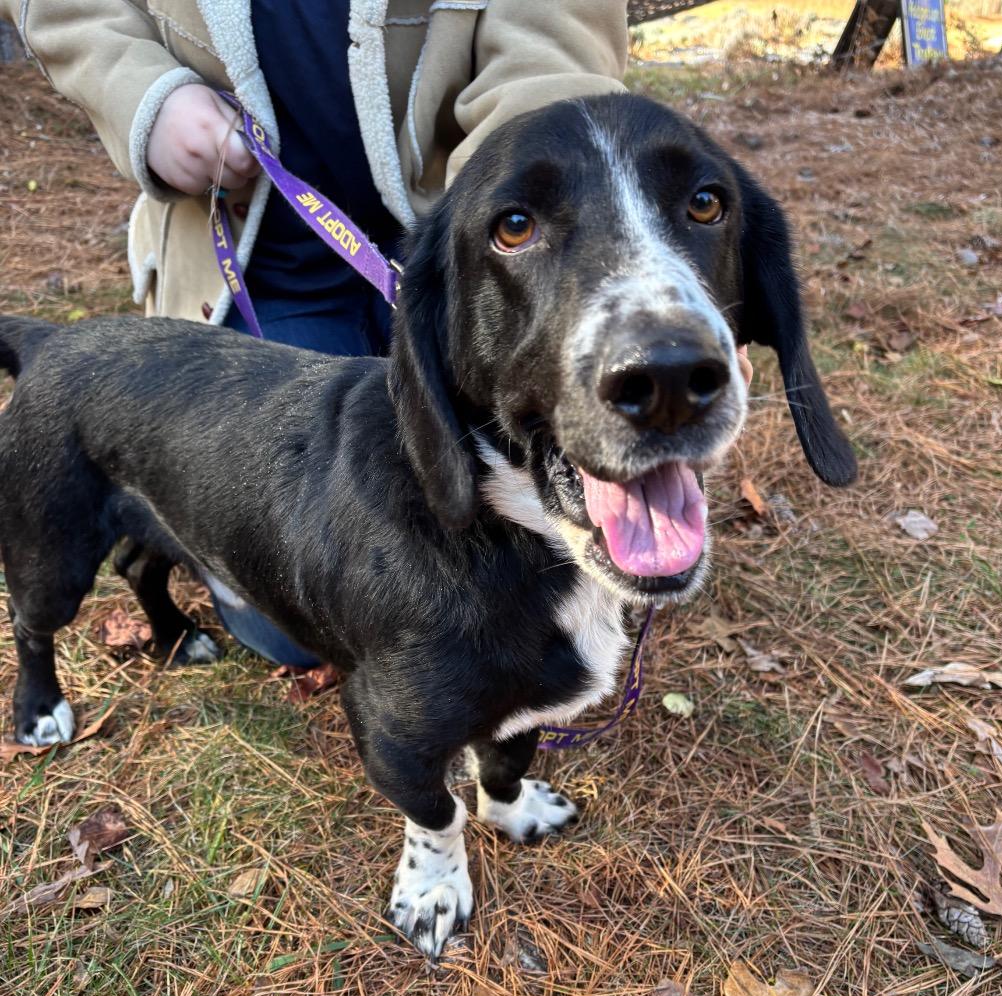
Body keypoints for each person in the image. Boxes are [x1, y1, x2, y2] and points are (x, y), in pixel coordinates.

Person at [1, 2, 631, 664]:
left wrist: (523, 218)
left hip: (464, 270)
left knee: (515, 533)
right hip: (267, 265)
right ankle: (169, 536)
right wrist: (140, 92)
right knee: (305, 622)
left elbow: (553, 44)